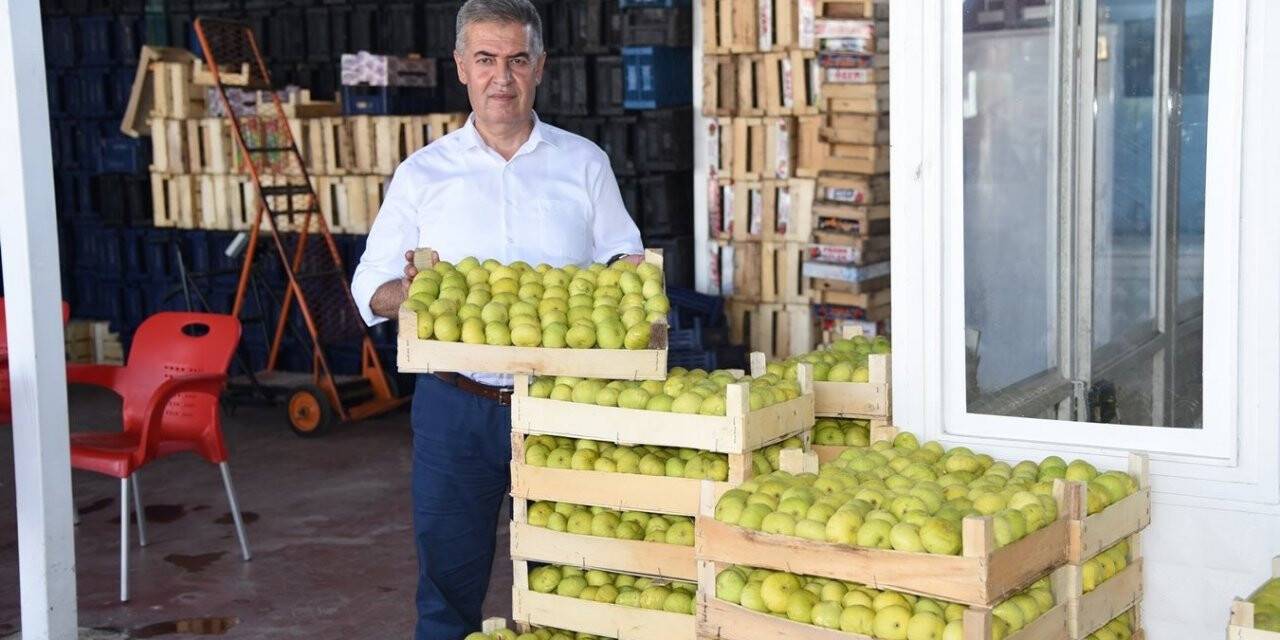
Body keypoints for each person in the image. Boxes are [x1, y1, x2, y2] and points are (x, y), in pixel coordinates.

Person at [350, 0, 644, 637]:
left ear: (539, 66)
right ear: (461, 67)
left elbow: (624, 256)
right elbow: (368, 287)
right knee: (448, 587)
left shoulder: (583, 163)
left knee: (576, 577)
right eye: (485, 59)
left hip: (566, 404)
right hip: (457, 406)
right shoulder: (423, 174)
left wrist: (631, 273)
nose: (501, 77)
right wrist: (408, 292)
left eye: (516, 60)